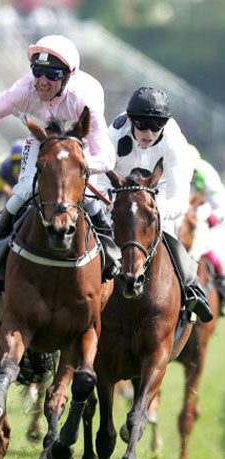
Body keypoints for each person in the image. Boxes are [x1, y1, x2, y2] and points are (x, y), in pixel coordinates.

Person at [0, 34, 121, 281]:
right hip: (41, 141)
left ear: (67, 76)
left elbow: (106, 157)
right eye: (37, 71)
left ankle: (111, 255)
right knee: (24, 191)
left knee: (85, 198)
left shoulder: (83, 98)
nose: (43, 82)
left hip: (79, 148)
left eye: (53, 75)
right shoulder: (23, 90)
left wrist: (72, 167)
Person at [97, 86, 213, 322]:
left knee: (170, 235)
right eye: (142, 126)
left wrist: (152, 213)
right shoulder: (114, 135)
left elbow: (179, 198)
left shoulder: (175, 143)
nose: (149, 133)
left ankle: (191, 287)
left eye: (156, 127)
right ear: (130, 120)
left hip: (158, 196)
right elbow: (98, 181)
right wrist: (112, 208)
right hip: (119, 195)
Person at [187, 144, 225, 310]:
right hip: (187, 218)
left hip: (208, 219)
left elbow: (220, 201)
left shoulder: (206, 173)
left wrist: (214, 216)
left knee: (213, 251)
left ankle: (221, 286)